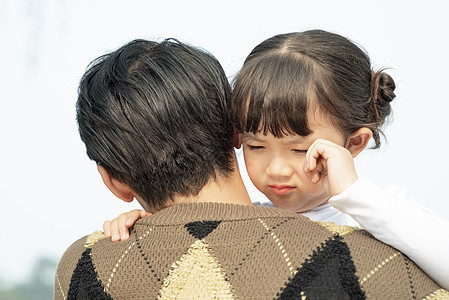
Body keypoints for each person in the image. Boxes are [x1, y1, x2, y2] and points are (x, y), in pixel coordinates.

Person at [55, 38, 447, 299]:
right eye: (256, 145)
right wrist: (149, 219)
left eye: (300, 150)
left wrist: (355, 195)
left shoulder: (383, 214)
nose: (277, 169)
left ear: (355, 143)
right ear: (233, 134)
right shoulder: (258, 220)